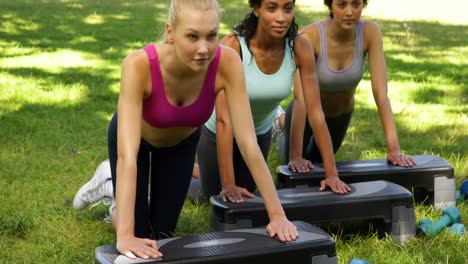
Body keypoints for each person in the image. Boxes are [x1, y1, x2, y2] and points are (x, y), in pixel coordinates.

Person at [73, 0, 299, 260]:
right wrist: (124, 235)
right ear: (171, 32)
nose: (203, 48)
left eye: (211, 36)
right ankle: (111, 187)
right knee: (135, 233)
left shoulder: (227, 62)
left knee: (161, 235)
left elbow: (248, 143)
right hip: (136, 142)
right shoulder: (138, 65)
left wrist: (278, 216)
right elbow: (127, 156)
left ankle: (122, 199)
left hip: (180, 145)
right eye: (192, 36)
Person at [192, 0, 350, 206]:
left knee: (247, 196)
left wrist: (332, 174)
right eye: (272, 8)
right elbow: (224, 120)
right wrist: (228, 183)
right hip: (217, 133)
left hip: (258, 134)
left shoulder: (300, 47)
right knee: (213, 198)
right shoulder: (233, 46)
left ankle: (202, 172)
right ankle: (190, 171)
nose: (281, 18)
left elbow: (316, 113)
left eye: (287, 8)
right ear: (256, 9)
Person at [281, 0, 416, 169]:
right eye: (342, 5)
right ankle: (280, 124)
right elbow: (300, 99)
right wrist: (295, 156)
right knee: (293, 174)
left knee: (318, 167)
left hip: (340, 117)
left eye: (356, 4)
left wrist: (395, 149)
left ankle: (280, 123)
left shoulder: (370, 32)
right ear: (330, 5)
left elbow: (381, 94)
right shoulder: (310, 36)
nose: (350, 12)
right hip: (306, 115)